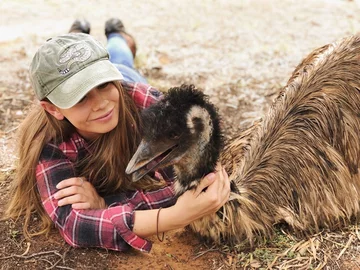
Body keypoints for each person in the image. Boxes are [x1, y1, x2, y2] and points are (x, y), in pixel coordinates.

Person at [5, 30, 230, 253]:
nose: (101, 103)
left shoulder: (147, 102)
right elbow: (73, 224)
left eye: (103, 84)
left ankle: (116, 35)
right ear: (53, 109)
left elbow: (192, 179)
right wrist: (174, 216)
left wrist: (106, 204)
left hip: (127, 80)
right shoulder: (49, 144)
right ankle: (79, 33)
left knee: (123, 60)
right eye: (80, 97)